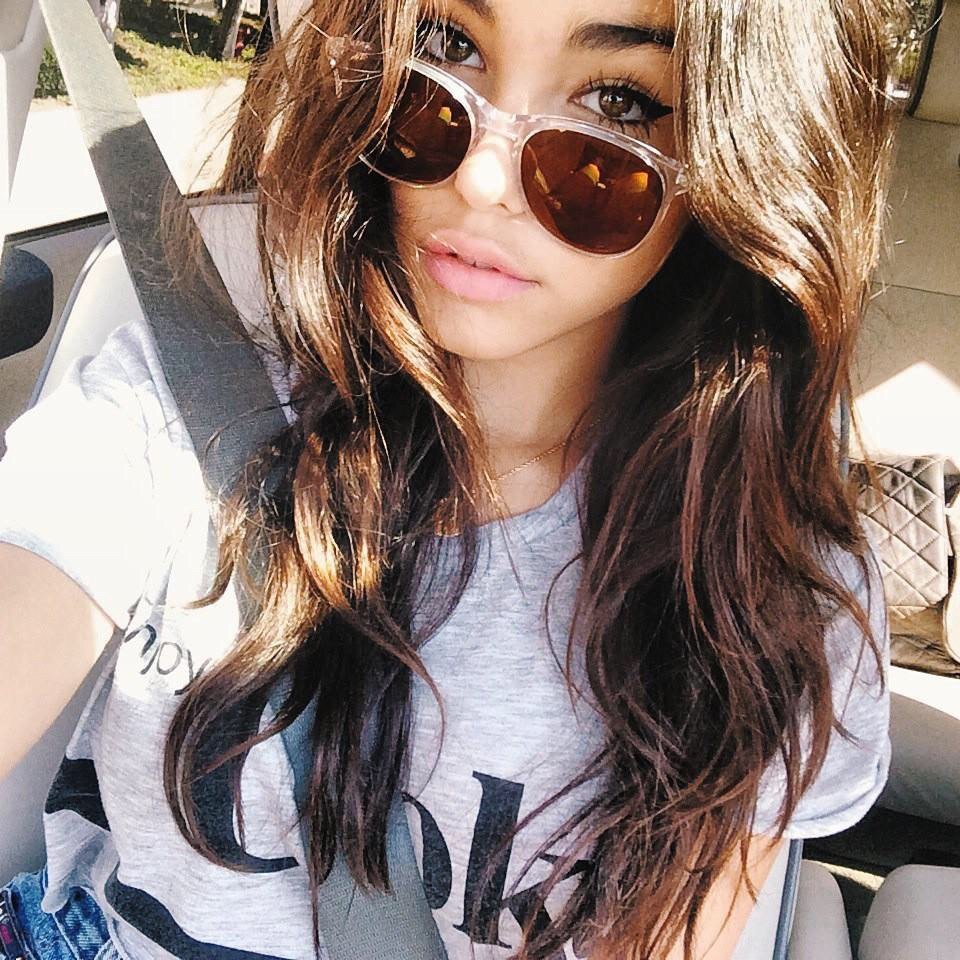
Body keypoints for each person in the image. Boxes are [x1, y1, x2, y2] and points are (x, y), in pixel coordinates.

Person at [0, 0, 904, 957]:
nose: (480, 177)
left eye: (618, 104)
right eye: (447, 46)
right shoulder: (187, 397)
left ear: (735, 162)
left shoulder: (774, 597)